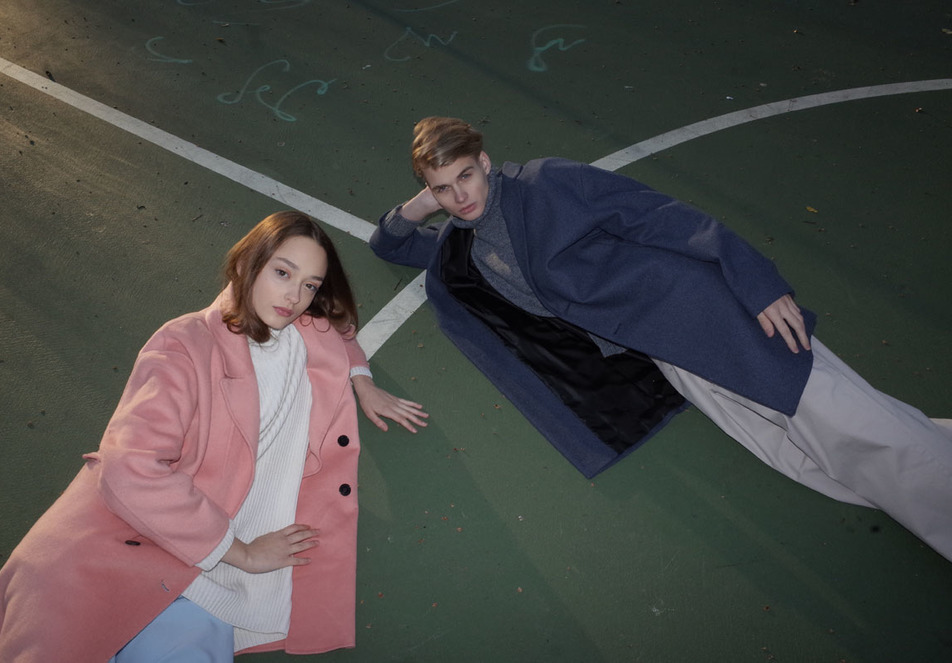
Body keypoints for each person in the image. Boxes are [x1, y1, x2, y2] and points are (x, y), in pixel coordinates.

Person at [370, 116, 952, 562]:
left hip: (703, 314)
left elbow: (659, 214)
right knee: (798, 453)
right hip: (666, 351)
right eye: (444, 189)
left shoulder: (546, 182)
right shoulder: (464, 244)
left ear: (485, 162)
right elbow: (389, 244)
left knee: (847, 426)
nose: (461, 196)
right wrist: (421, 200)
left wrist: (757, 282)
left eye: (465, 175)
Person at [0, 211, 428, 662]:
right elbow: (130, 467)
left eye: (310, 284)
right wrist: (240, 552)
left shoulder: (304, 329)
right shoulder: (184, 344)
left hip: (198, 589)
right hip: (118, 553)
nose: (294, 297)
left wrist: (362, 380)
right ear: (246, 264)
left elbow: (341, 331)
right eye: (283, 273)